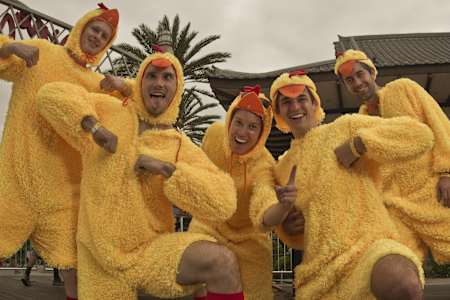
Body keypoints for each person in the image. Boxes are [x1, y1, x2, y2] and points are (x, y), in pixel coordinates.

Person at [37, 48, 245, 300]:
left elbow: (223, 202)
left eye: (167, 77)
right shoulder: (109, 111)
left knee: (222, 262)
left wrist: (169, 171)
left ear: (177, 88)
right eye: (152, 76)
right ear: (140, 82)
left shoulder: (180, 146)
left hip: (151, 253)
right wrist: (95, 128)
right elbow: (50, 94)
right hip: (99, 260)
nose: (159, 83)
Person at [0, 4, 127, 300]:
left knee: (74, 266)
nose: (97, 37)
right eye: (94, 29)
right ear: (81, 28)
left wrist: (124, 85)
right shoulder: (41, 51)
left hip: (62, 192)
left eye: (104, 36)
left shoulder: (98, 84)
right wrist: (12, 46)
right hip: (17, 177)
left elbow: (135, 109)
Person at [270, 70, 433, 299]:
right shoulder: (281, 167)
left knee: (402, 282)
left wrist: (360, 144)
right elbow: (288, 227)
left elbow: (419, 135)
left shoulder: (344, 127)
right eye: (286, 102)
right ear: (278, 112)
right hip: (320, 270)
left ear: (314, 103)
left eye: (301, 99)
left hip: (370, 248)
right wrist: (287, 229)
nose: (295, 107)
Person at [335, 49, 450, 263]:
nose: (358, 82)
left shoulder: (404, 88)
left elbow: (439, 124)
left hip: (433, 191)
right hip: (395, 206)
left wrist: (447, 173)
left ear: (372, 73)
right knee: (402, 263)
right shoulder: (360, 120)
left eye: (360, 74)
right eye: (350, 80)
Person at [188, 85, 297, 299]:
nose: (242, 132)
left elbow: (264, 212)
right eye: (238, 123)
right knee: (199, 285)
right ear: (229, 121)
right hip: (208, 228)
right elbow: (196, 170)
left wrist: (283, 206)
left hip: (250, 242)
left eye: (252, 127)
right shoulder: (213, 135)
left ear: (261, 132)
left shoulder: (264, 164)